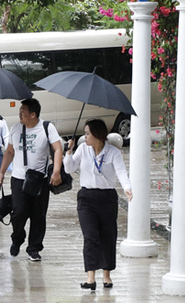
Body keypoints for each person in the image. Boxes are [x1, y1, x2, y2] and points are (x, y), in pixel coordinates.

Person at [63, 118, 133, 290]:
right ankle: (90, 277)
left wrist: (127, 188)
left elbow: (121, 172)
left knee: (107, 236)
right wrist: (69, 152)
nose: (85, 137)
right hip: (86, 197)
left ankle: (106, 276)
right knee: (90, 236)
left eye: (87, 134)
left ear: (97, 135)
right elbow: (69, 168)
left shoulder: (112, 152)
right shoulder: (82, 149)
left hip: (107, 197)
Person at [0, 98, 63, 262]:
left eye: (23, 111)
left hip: (40, 179)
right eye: (20, 111)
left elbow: (57, 149)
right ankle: (17, 237)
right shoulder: (15, 129)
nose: (20, 114)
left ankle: (34, 248)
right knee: (18, 212)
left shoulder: (47, 128)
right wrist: (1, 172)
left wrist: (56, 171)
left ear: (33, 114)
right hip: (19, 179)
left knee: (38, 215)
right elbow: (10, 152)